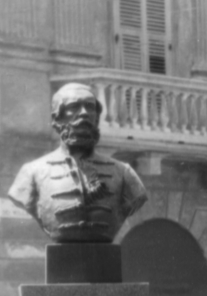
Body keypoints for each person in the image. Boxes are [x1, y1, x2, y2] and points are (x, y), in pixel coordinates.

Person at [8, 83, 148, 242]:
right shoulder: (31, 173)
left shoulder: (124, 173)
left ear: (96, 117)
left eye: (90, 107)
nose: (84, 114)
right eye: (74, 107)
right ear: (57, 118)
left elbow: (136, 199)